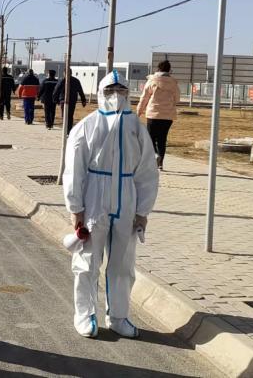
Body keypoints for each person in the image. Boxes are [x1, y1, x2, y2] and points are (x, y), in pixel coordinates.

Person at [62, 71, 159, 339]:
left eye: (121, 90)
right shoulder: (87, 125)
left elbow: (147, 171)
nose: (116, 96)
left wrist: (143, 211)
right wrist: (75, 208)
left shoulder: (136, 128)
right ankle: (84, 314)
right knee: (87, 261)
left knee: (123, 264)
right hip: (95, 198)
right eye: (110, 90)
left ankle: (118, 316)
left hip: (126, 199)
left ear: (128, 93)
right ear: (100, 93)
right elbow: (74, 169)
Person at [137, 61, 181, 170]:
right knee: (162, 139)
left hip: (153, 114)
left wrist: (139, 111)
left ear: (158, 69)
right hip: (168, 116)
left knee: (150, 137)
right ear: (169, 70)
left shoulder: (152, 80)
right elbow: (177, 99)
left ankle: (155, 154)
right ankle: (160, 163)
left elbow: (144, 98)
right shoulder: (173, 83)